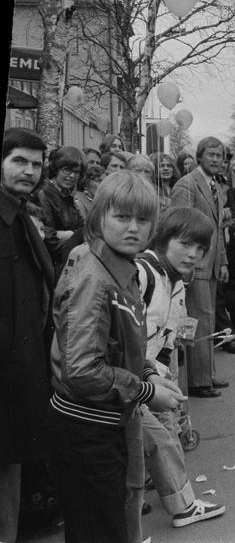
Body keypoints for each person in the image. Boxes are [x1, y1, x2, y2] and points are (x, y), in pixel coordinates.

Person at [47, 171, 185, 543]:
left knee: (116, 523)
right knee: (100, 530)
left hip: (107, 421)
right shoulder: (95, 276)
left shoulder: (120, 265)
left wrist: (147, 372)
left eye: (143, 219)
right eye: (122, 217)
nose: (133, 228)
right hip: (87, 427)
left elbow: (121, 342)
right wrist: (144, 390)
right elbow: (82, 370)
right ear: (99, 218)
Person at [135, 207, 226, 528]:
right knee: (158, 437)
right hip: (126, 377)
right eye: (185, 244)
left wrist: (165, 379)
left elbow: (165, 339)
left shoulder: (175, 280)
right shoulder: (142, 273)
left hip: (147, 373)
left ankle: (152, 483)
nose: (193, 255)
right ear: (164, 238)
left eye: (200, 249)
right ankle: (182, 505)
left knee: (166, 425)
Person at [0, 129, 53, 543]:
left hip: (22, 370)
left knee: (11, 471)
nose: (30, 171)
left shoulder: (20, 215)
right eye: (20, 161)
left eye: (36, 164)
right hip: (7, 371)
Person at [170, 137, 231, 397]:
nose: (216, 160)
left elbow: (218, 229)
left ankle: (208, 374)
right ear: (199, 156)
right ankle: (198, 381)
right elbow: (179, 224)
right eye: (211, 155)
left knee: (206, 321)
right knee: (197, 322)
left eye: (220, 156)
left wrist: (224, 261)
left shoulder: (215, 185)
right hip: (194, 265)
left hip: (213, 264)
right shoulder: (187, 184)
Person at [32, 145, 86, 275]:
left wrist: (69, 235)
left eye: (77, 172)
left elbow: (85, 231)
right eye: (67, 169)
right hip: (52, 270)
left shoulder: (67, 195)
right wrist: (75, 236)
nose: (72, 176)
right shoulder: (43, 196)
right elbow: (49, 242)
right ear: (56, 168)